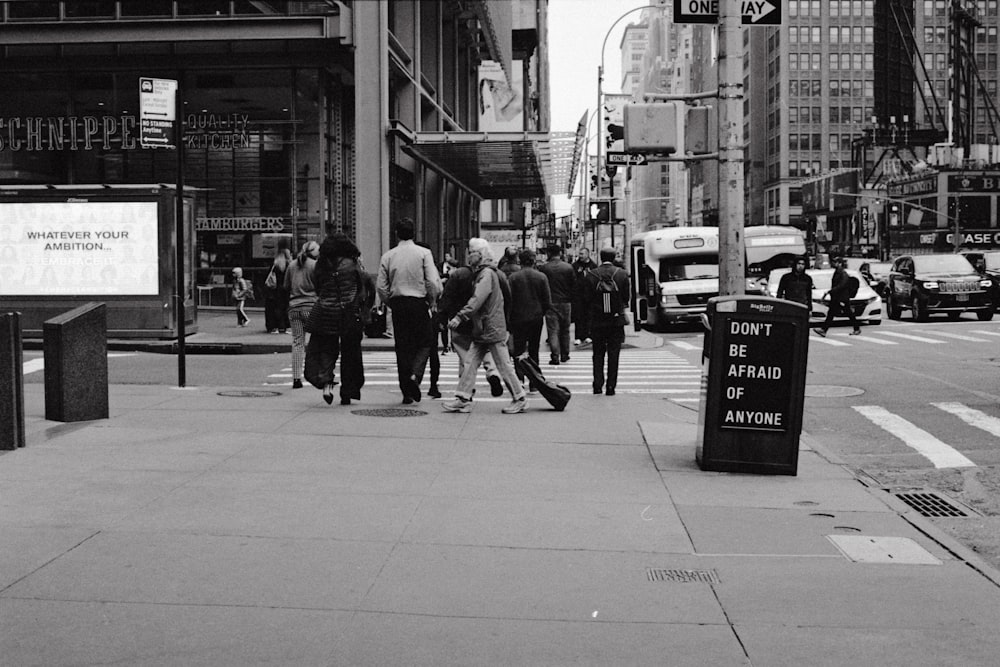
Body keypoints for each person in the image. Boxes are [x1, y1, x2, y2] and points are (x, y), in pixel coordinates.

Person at [442, 238, 527, 414]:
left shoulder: (486, 274)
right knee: (470, 362)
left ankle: (519, 397)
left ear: (479, 255)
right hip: (484, 327)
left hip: (489, 327)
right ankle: (463, 397)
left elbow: (477, 299)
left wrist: (460, 316)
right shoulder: (486, 272)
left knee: (502, 364)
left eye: (471, 252)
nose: (469, 256)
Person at [376, 217, 442, 404]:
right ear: (414, 233)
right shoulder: (424, 253)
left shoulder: (388, 256)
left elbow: (381, 286)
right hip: (419, 303)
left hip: (398, 304)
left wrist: (390, 302)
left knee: (402, 347)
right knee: (425, 342)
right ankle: (415, 375)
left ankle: (406, 390)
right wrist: (431, 300)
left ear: (396, 234)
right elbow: (431, 281)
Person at [304, 233, 369, 405]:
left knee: (327, 349)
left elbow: (318, 288)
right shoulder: (352, 264)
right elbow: (362, 285)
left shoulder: (321, 265)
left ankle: (326, 382)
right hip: (348, 312)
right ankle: (348, 391)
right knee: (350, 353)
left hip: (326, 312)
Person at [436, 252, 505, 397]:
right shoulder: (492, 274)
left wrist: (442, 317)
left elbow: (446, 297)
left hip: (460, 320)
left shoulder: (458, 275)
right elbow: (505, 296)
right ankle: (492, 373)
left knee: (465, 356)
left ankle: (466, 389)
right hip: (481, 320)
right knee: (485, 350)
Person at [585, 247, 631, 396]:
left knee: (598, 353)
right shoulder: (622, 274)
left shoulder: (591, 275)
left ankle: (597, 384)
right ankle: (611, 387)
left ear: (600, 257)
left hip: (597, 321)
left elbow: (586, 298)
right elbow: (626, 298)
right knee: (614, 353)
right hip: (616, 321)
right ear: (613, 257)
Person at [507, 248, 551, 393]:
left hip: (517, 318)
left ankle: (520, 380)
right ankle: (534, 381)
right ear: (533, 261)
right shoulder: (541, 277)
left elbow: (509, 300)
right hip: (536, 318)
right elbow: (547, 301)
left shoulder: (513, 278)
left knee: (518, 350)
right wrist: (541, 312)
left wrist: (509, 319)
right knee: (534, 350)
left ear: (520, 261)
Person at [284, 240, 320, 389]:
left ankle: (296, 378)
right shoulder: (315, 265)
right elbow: (320, 286)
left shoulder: (292, 265)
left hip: (294, 307)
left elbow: (286, 285)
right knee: (316, 340)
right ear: (314, 252)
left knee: (298, 343)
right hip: (311, 307)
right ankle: (315, 373)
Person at [537, 244, 576, 365]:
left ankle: (555, 356)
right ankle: (565, 354)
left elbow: (541, 287)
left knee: (553, 330)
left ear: (549, 253)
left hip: (551, 302)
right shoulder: (568, 268)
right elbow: (573, 286)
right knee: (565, 329)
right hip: (565, 302)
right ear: (560, 253)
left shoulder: (544, 268)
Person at [817, 256, 861, 337]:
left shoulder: (843, 273)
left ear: (840, 264)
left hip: (842, 298)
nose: (834, 263)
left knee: (848, 313)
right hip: (837, 297)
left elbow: (842, 285)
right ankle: (823, 330)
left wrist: (830, 291)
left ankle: (857, 328)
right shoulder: (837, 272)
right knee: (831, 313)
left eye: (836, 262)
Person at [264, 241, 292, 334]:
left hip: (275, 289)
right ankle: (286, 326)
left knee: (275, 308)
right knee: (286, 308)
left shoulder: (275, 265)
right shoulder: (289, 266)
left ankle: (276, 326)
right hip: (285, 289)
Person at [572, 247, 597, 345]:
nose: (580, 256)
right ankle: (578, 336)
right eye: (580, 254)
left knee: (589, 315)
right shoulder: (575, 266)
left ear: (587, 254)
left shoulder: (593, 266)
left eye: (582, 254)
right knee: (578, 316)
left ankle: (588, 335)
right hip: (578, 295)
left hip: (590, 295)